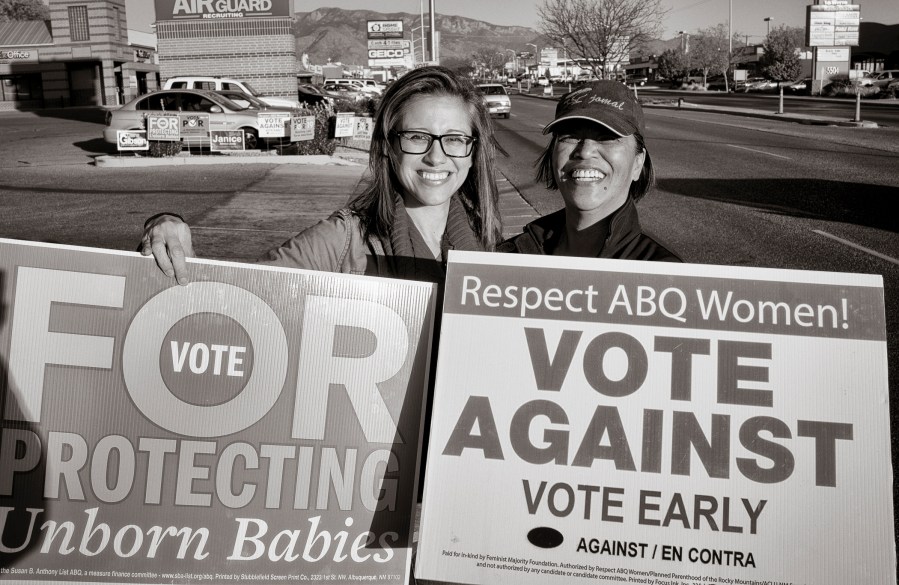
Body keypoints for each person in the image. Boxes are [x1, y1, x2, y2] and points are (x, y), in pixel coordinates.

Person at [141, 65, 503, 284]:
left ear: (473, 151)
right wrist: (167, 223)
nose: (436, 157)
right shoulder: (342, 239)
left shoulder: (486, 239)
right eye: (417, 137)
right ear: (390, 147)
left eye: (454, 139)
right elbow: (237, 296)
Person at [498, 80, 681, 261]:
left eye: (607, 137)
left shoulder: (666, 277)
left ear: (638, 164)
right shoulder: (510, 258)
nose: (585, 152)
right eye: (570, 136)